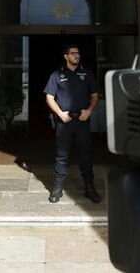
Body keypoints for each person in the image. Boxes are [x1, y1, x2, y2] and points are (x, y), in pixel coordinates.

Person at [43, 44, 101, 204]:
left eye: (78, 53)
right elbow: (49, 97)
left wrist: (88, 111)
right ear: (66, 56)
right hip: (64, 122)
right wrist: (60, 113)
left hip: (82, 120)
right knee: (62, 155)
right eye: (73, 53)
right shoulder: (57, 74)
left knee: (85, 154)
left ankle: (89, 187)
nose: (77, 55)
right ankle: (57, 188)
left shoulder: (87, 73)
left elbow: (95, 95)